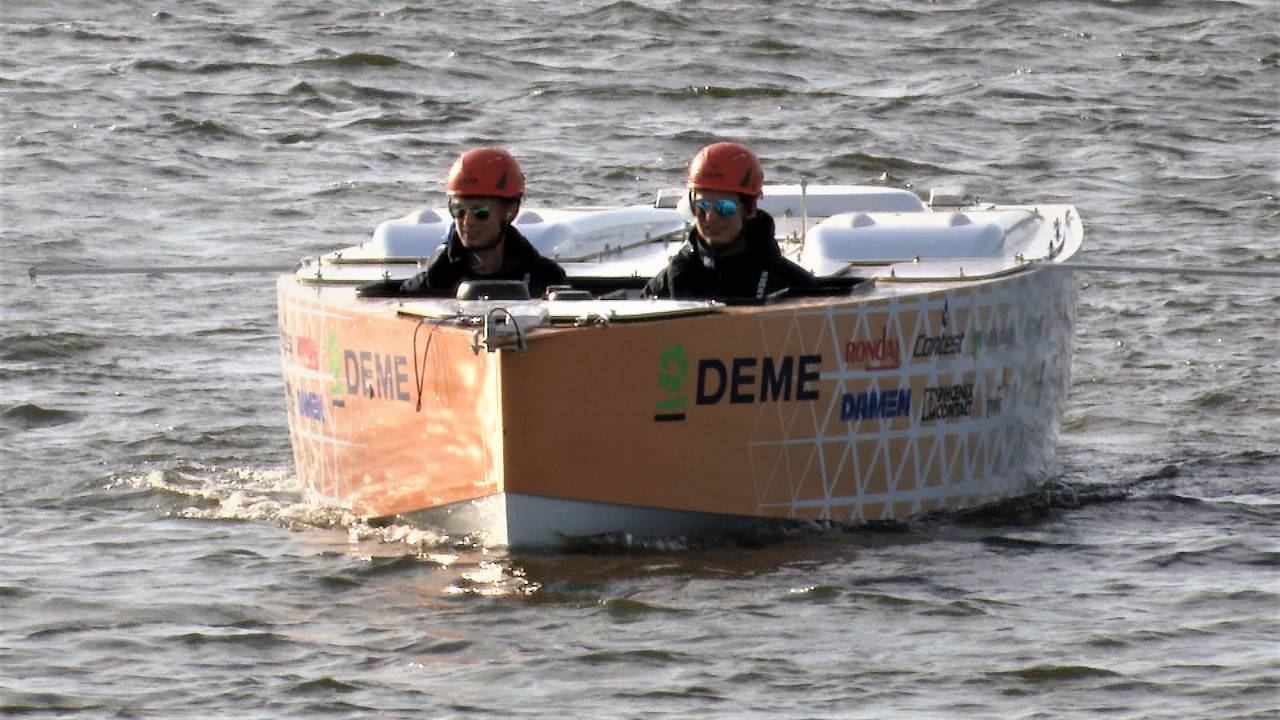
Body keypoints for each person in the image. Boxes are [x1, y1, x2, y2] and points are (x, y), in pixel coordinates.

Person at [644, 142, 814, 302]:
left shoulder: (796, 288)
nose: (710, 218)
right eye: (702, 206)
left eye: (724, 207)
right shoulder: (668, 284)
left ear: (749, 209)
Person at [399, 147, 566, 297]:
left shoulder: (546, 279)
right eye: (458, 210)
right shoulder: (428, 284)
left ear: (511, 211)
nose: (467, 222)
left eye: (480, 212)